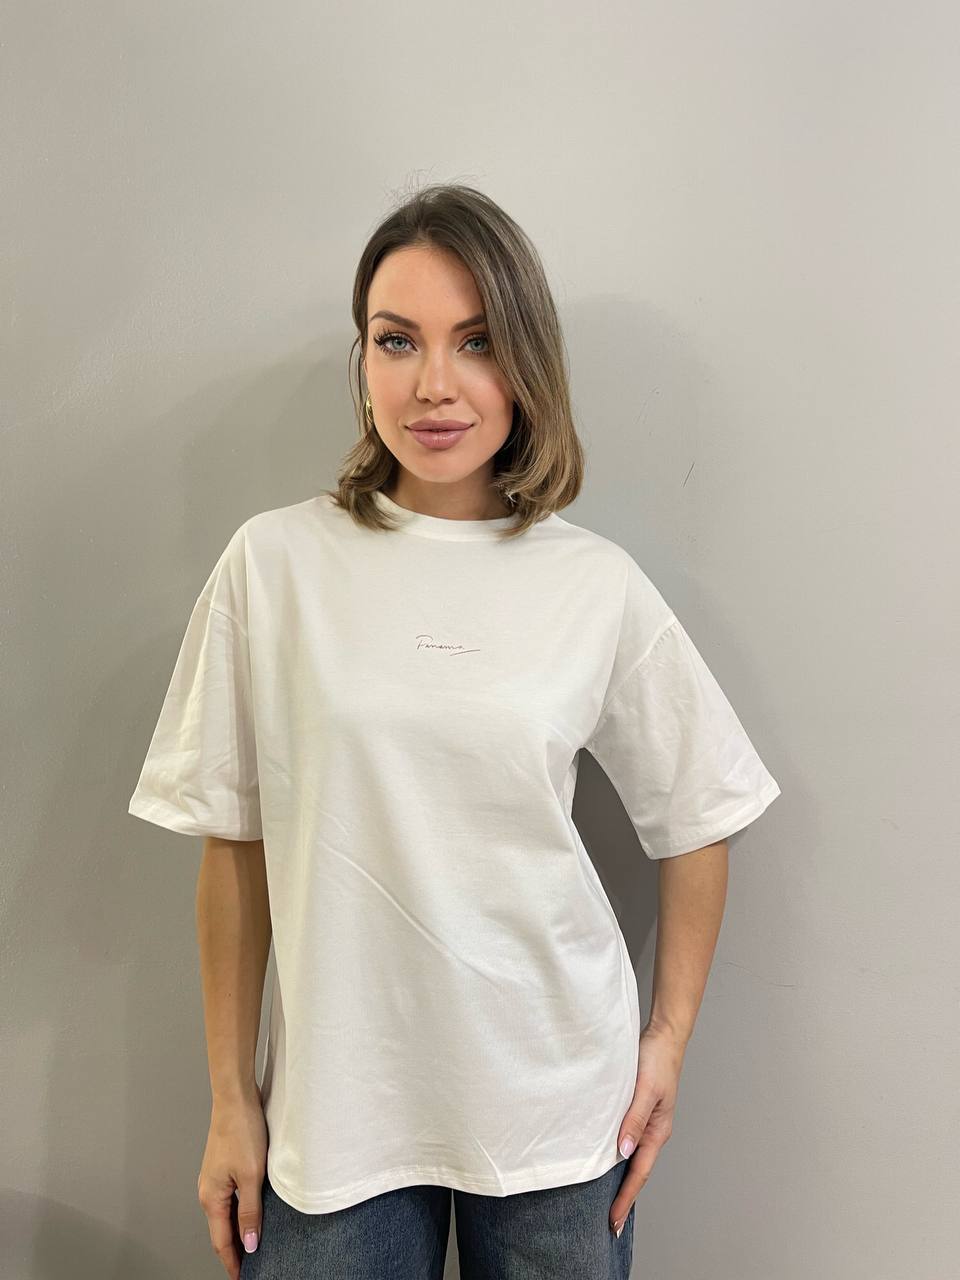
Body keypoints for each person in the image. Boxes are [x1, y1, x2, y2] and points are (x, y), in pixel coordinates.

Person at [128, 182, 782, 1279]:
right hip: (337, 1120)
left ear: (526, 364)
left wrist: (666, 1039)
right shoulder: (273, 567)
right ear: (363, 362)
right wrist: (231, 1097)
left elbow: (702, 808)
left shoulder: (592, 584)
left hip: (559, 1117)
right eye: (398, 340)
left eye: (476, 342)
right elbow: (233, 845)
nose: (434, 383)